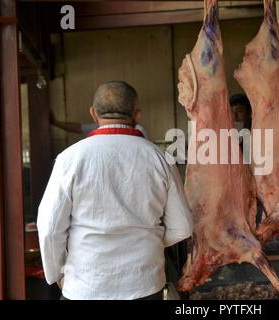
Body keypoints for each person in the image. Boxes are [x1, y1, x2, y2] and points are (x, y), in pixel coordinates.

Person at [37, 80, 193, 300]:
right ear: (137, 116)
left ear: (93, 114)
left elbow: (50, 227)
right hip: (145, 286)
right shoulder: (161, 158)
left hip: (85, 287)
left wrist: (56, 275)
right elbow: (182, 226)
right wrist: (146, 238)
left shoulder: (69, 159)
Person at [50, 109, 148, 138]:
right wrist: (56, 123)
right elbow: (78, 128)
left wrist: (56, 123)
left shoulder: (138, 130)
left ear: (94, 114)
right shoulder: (99, 128)